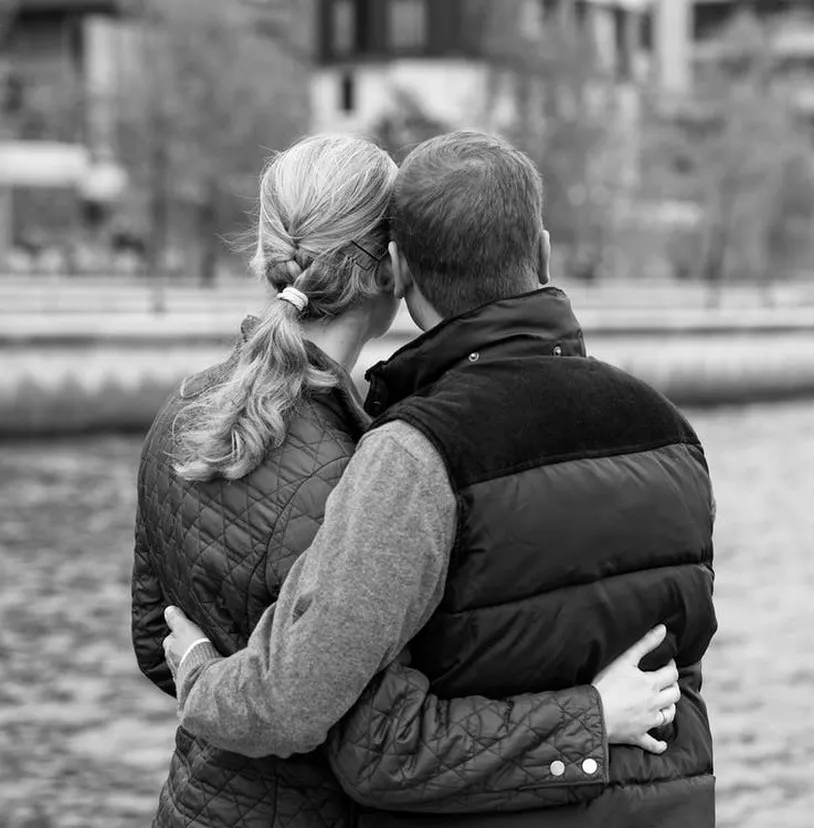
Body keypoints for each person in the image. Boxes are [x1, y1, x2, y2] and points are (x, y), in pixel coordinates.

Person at [163, 131, 718, 827]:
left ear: (399, 270)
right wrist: (590, 720)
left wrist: (196, 674)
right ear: (542, 251)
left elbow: (356, 739)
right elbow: (676, 684)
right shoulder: (672, 434)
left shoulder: (413, 454)